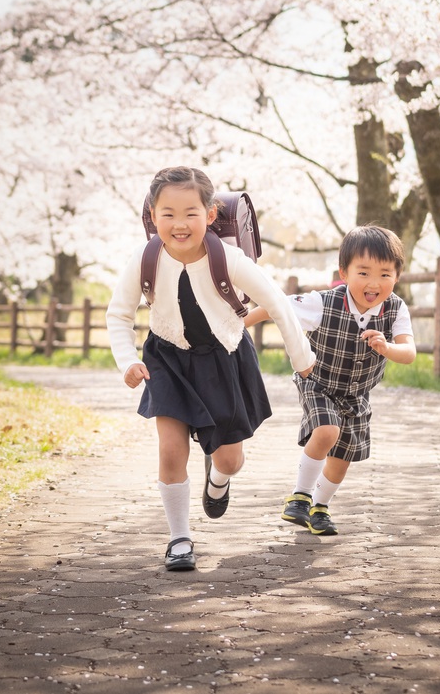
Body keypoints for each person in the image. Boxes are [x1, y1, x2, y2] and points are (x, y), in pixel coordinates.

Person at [106, 166, 315, 572]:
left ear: (210, 213)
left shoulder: (229, 260)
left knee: (231, 460)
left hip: (225, 359)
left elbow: (277, 303)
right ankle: (179, 539)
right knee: (170, 450)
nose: (179, 224)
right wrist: (128, 361)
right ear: (152, 214)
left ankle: (217, 480)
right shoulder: (144, 258)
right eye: (167, 213)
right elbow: (119, 315)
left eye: (190, 213)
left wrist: (302, 360)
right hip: (166, 359)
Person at [244, 224, 416, 537]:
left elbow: (408, 352)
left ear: (397, 276)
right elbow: (275, 306)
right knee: (326, 431)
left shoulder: (395, 309)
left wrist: (387, 347)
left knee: (342, 458)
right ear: (344, 272)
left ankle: (319, 507)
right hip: (318, 381)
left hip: (356, 394)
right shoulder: (323, 303)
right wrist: (236, 327)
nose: (374, 283)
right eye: (363, 273)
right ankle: (300, 496)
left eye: (385, 274)